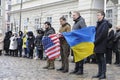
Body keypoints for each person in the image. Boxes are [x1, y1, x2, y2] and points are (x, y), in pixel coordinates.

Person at [92, 11, 109, 79]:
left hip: (101, 44)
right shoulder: (98, 23)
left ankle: (103, 74)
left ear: (102, 16)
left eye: (98, 15)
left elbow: (102, 35)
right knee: (98, 60)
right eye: (97, 15)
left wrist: (95, 42)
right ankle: (99, 73)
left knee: (102, 59)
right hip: (97, 44)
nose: (97, 16)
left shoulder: (105, 24)